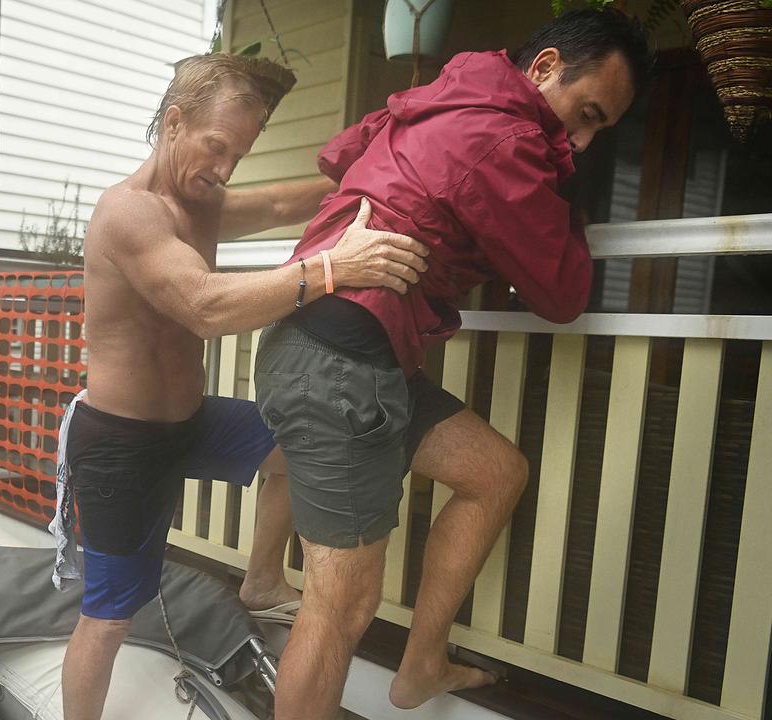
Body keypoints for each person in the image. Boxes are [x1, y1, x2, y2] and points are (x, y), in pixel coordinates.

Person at [252, 9, 652, 718]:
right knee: (341, 606)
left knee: (494, 472)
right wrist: (566, 196)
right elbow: (562, 291)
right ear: (545, 67)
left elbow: (355, 165)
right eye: (585, 115)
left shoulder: (455, 97)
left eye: (599, 131)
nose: (582, 142)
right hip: (342, 359)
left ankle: (421, 664)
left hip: (357, 357)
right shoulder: (503, 135)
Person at [49, 53, 430, 720]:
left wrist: (389, 159)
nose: (224, 170)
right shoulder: (129, 213)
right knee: (109, 617)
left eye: (238, 155)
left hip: (190, 421)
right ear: (174, 123)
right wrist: (332, 268)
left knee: (296, 444)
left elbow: (286, 200)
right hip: (122, 441)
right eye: (216, 147)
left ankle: (259, 580)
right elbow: (204, 306)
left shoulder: (201, 202)